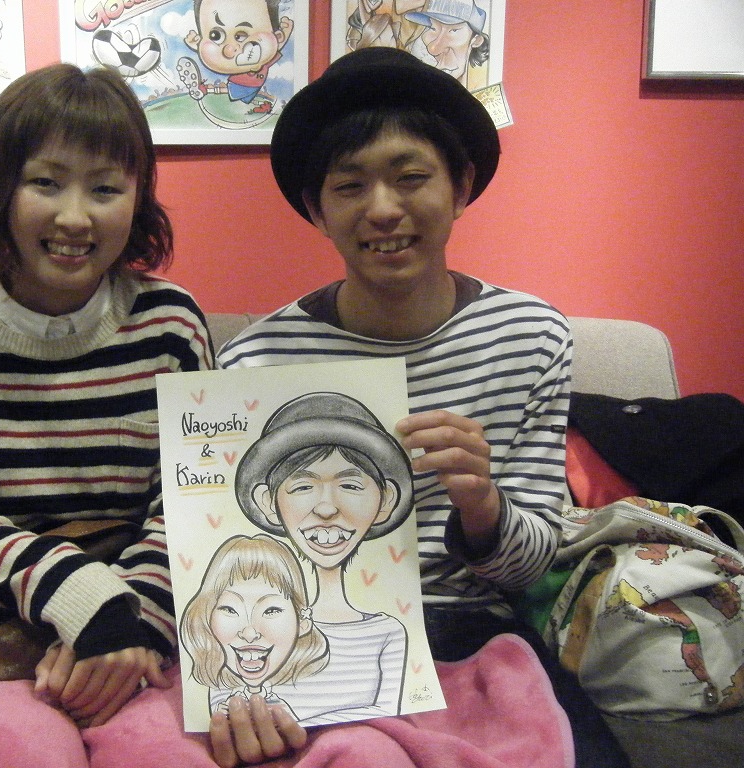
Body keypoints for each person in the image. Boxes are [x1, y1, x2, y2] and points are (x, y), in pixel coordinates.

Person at [213, 45, 630, 768]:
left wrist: (482, 505)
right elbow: (232, 561)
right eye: (349, 187)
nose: (383, 210)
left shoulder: (529, 337)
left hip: (472, 628)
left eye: (411, 178)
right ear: (316, 209)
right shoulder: (255, 362)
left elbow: (531, 567)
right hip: (300, 639)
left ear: (461, 185)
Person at [0, 62, 212, 766]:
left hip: (142, 627)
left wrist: (133, 624)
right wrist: (84, 599)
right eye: (45, 183)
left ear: (138, 201)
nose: (74, 217)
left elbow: (193, 503)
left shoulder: (172, 324)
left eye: (105, 189)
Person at [233, 392, 411, 724]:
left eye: (351, 486)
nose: (327, 508)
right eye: (303, 487)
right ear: (267, 502)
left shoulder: (388, 632)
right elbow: (222, 692)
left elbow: (389, 709)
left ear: (385, 500)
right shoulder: (254, 630)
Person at [180, 533, 328, 720]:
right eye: (230, 609)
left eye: (271, 611)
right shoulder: (217, 696)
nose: (249, 633)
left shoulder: (304, 697)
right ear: (206, 618)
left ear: (303, 622)